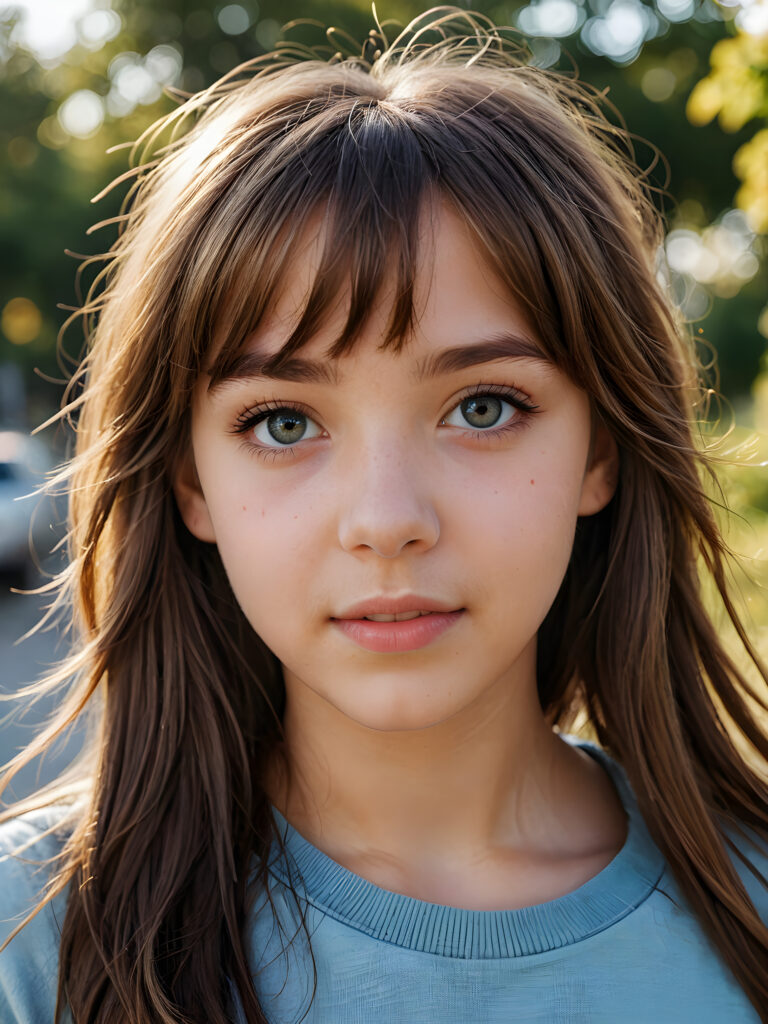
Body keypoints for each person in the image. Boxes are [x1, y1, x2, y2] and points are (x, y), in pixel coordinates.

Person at [1, 8, 767, 1023]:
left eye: (483, 407)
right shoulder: (37, 938)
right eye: (281, 421)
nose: (386, 520)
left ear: (604, 449)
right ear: (190, 482)